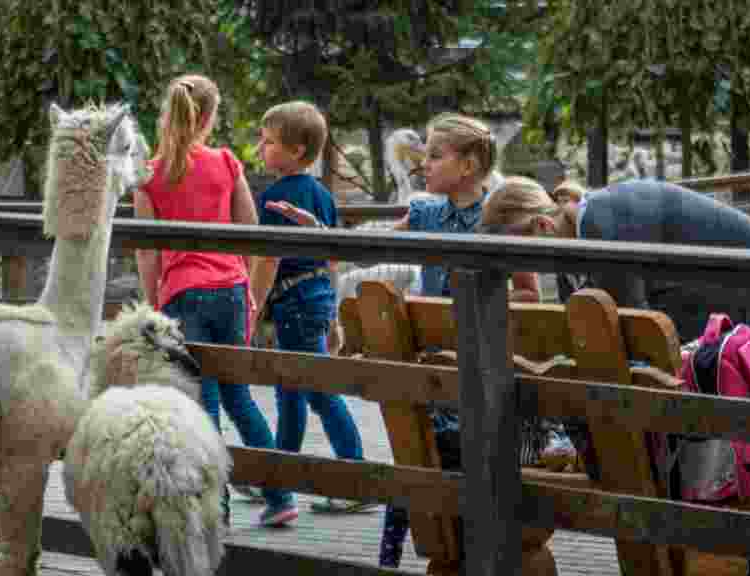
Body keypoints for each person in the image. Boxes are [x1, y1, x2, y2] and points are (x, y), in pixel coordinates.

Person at [266, 112, 545, 570]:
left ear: (469, 165)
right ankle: (406, 555)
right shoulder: (428, 212)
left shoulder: (498, 216)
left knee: (453, 471)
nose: (425, 165)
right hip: (432, 374)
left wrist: (482, 312)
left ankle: (466, 551)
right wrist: (320, 232)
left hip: (479, 375)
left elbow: (529, 290)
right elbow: (368, 249)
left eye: (436, 156)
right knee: (416, 458)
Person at [476, 175, 750, 436]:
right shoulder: (584, 228)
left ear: (542, 225)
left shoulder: (603, 230)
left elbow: (631, 333)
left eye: (522, 257)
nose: (523, 270)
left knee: (740, 443)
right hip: (739, 297)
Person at [134, 74, 298, 527]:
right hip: (229, 291)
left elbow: (147, 249)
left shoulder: (149, 174)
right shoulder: (227, 163)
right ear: (208, 118)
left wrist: (154, 303)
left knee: (199, 403)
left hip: (183, 295)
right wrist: (247, 291)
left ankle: (215, 509)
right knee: (239, 397)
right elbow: (249, 231)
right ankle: (279, 494)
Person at [249, 100, 376, 516]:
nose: (260, 149)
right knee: (291, 392)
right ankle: (278, 481)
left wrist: (251, 307)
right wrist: (335, 314)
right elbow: (333, 256)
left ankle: (355, 478)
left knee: (316, 393)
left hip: (294, 303)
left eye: (268, 142)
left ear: (297, 150)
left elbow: (267, 261)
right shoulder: (322, 194)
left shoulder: (275, 199)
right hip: (318, 296)